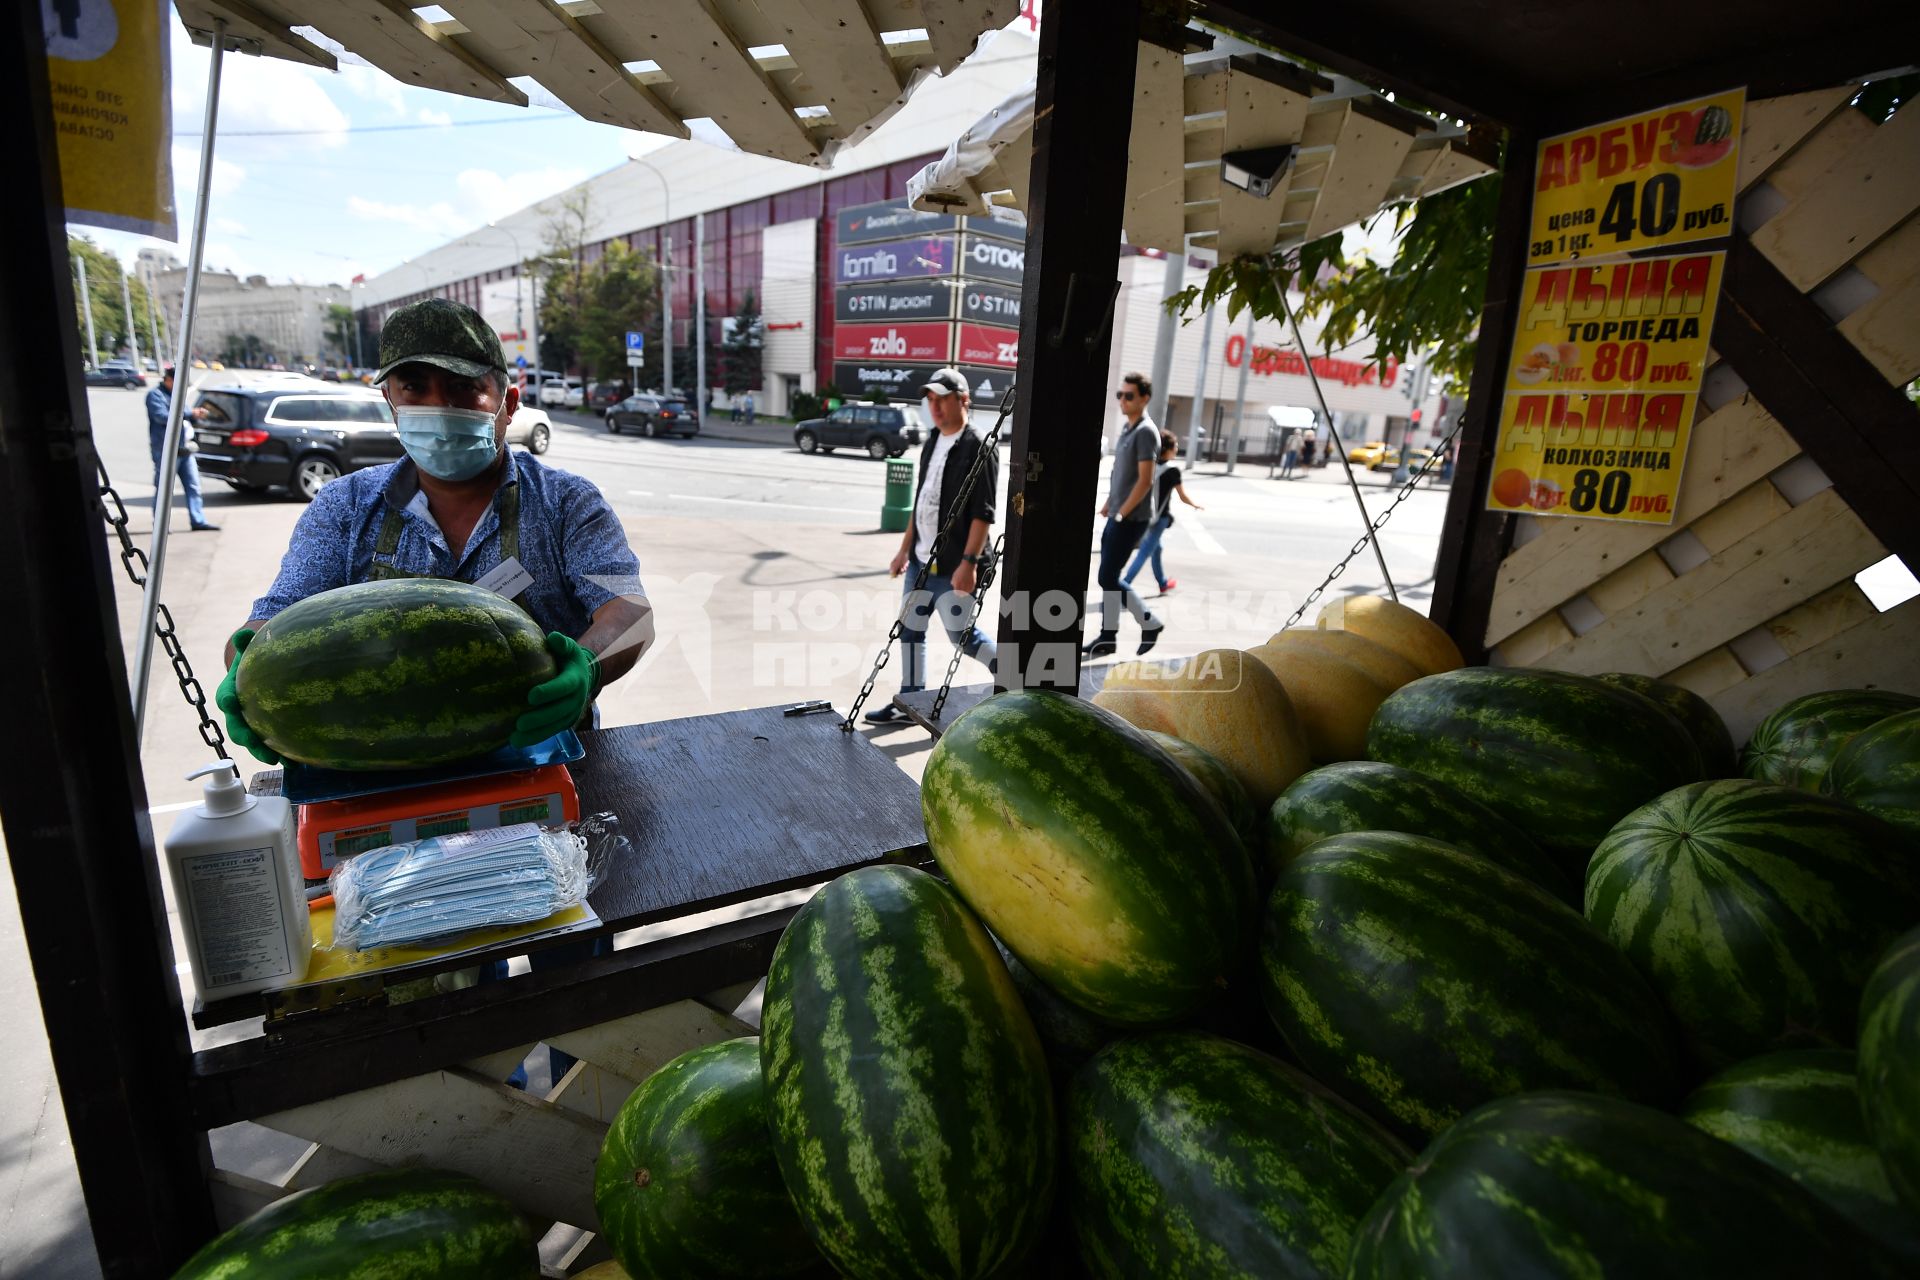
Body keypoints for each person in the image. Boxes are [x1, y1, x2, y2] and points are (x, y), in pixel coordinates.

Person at [864, 368, 998, 725]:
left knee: (962, 638)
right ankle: (911, 702)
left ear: (963, 400)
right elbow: (922, 501)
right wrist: (903, 550)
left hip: (955, 566)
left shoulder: (978, 446)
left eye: (942, 399)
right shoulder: (932, 441)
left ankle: (1011, 675)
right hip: (921, 562)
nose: (935, 406)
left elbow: (983, 513)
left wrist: (969, 563)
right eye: (931, 399)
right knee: (910, 632)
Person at [1085, 372, 1164, 658]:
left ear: (1144, 398)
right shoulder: (1129, 429)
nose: (1123, 400)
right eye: (1121, 394)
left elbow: (1145, 480)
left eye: (1129, 396)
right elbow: (1124, 476)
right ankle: (1108, 637)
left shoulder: (1145, 432)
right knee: (1108, 576)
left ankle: (1149, 623)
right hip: (1118, 513)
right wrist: (1110, 502)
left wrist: (1122, 513)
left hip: (1131, 518)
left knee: (1108, 576)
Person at [1122, 431, 1202, 596]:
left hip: (1144, 515)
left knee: (1156, 549)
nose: (1177, 448)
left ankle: (1163, 583)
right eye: (1176, 446)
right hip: (1160, 519)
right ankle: (1123, 585)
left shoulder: (1147, 465)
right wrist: (1195, 504)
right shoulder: (1173, 471)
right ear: (1168, 449)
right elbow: (1183, 496)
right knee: (1145, 552)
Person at [146, 366, 218, 531]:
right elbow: (162, 417)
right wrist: (190, 413)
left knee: (193, 486)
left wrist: (196, 417)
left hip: (185, 449)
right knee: (164, 488)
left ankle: (198, 520)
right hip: (166, 451)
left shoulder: (177, 395)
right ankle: (160, 525)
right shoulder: (155, 395)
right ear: (168, 380)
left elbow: (185, 417)